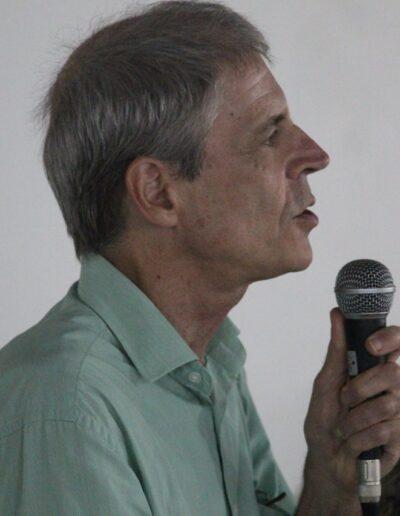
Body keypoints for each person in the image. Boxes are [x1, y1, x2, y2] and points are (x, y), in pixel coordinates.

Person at [2, 1, 400, 515]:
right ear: (158, 192)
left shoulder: (210, 364)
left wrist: (332, 475)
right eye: (271, 133)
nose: (316, 155)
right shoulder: (67, 408)